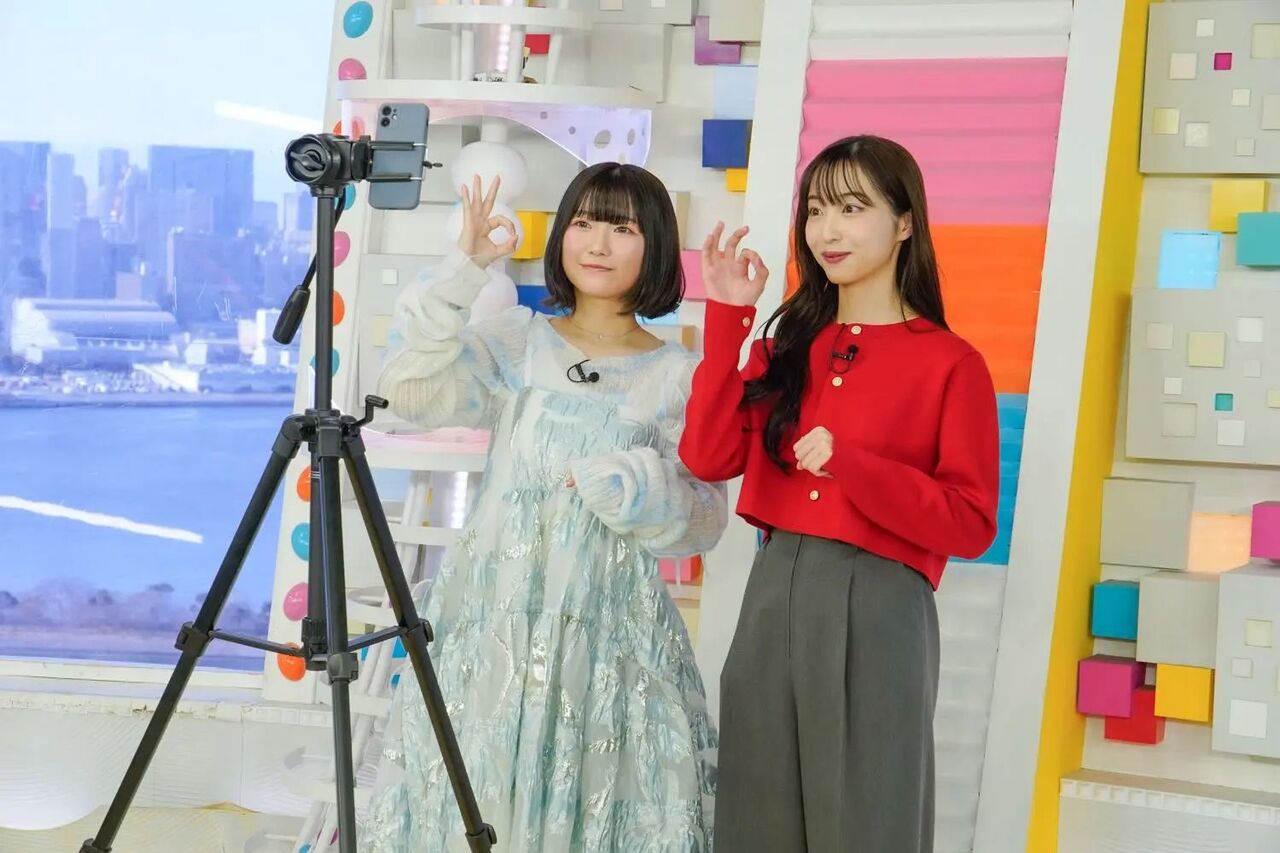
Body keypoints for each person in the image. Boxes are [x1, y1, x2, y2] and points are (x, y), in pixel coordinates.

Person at [361, 163, 724, 852]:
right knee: (472, 805)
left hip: (608, 647)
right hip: (493, 632)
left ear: (655, 245)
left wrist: (639, 487)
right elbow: (406, 390)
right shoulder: (519, 342)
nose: (598, 243)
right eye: (584, 222)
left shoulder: (677, 373)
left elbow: (705, 516)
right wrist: (464, 270)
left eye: (623, 228)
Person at [680, 135, 1000, 852]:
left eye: (853, 209)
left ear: (905, 221)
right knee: (756, 816)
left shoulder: (951, 363)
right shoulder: (787, 347)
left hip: (881, 606)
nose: (828, 230)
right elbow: (707, 455)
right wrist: (728, 317)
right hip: (773, 593)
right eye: (817, 210)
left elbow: (971, 522)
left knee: (867, 817)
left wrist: (853, 466)